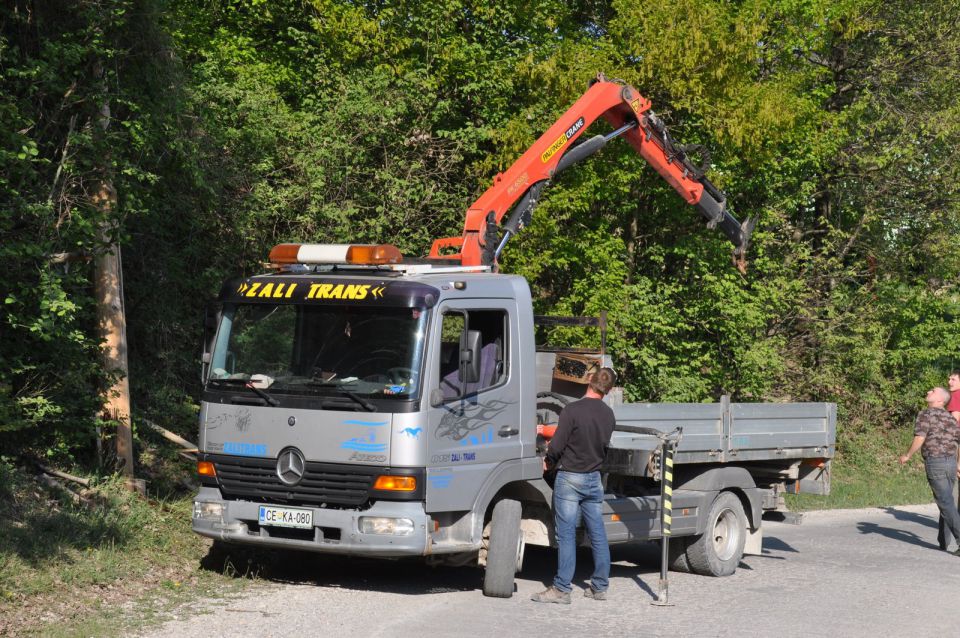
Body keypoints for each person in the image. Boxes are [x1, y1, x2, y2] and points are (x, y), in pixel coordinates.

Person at [532, 367, 617, 604]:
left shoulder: (572, 410)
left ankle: (561, 589)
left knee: (566, 534)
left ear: (590, 380)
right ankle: (599, 587)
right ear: (608, 390)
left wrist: (547, 461)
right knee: (597, 533)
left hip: (570, 478)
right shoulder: (609, 415)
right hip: (593, 479)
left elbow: (557, 445)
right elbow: (604, 448)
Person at [898, 386, 960, 556]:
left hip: (936, 462)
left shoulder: (925, 414)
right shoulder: (951, 418)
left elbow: (920, 437)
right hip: (951, 463)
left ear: (940, 400)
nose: (927, 392)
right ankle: (943, 541)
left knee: (946, 503)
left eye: (932, 391)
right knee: (947, 502)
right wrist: (958, 463)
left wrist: (907, 455)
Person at [938, 372, 960, 550]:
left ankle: (944, 541)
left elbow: (953, 424)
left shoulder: (955, 396)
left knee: (947, 497)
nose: (949, 381)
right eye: (949, 379)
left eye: (953, 379)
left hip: (954, 448)